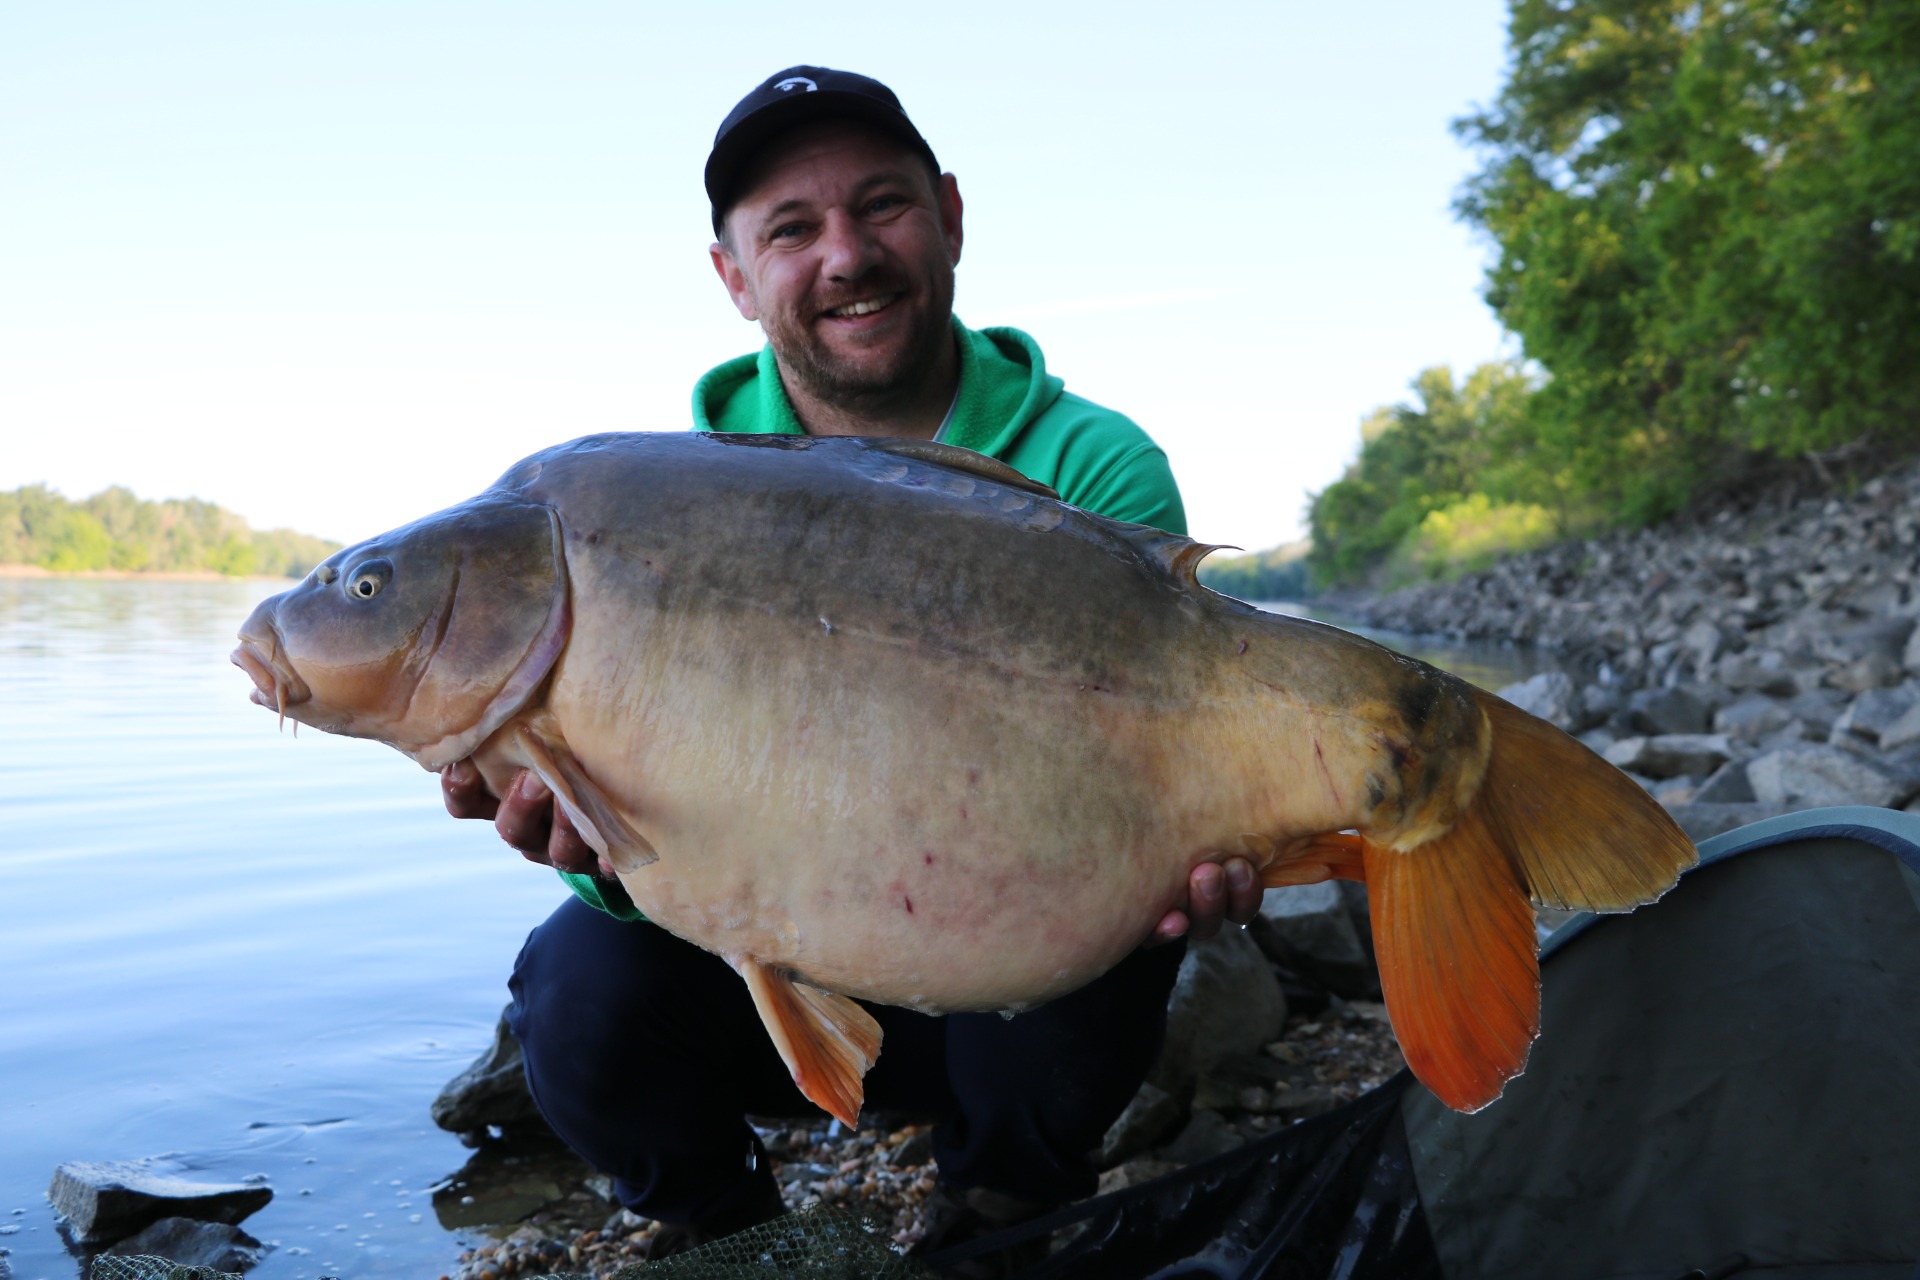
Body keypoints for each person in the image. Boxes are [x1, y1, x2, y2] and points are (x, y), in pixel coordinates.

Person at [440, 66, 1265, 1273]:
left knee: (1126, 924)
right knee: (574, 988)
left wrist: (1233, 831)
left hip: (1014, 965)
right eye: (790, 229)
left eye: (879, 207)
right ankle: (741, 1233)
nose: (846, 255)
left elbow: (1181, 743)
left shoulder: (1095, 464)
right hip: (781, 974)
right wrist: (598, 855)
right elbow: (662, 869)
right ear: (733, 276)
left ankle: (999, 1202)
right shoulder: (653, 516)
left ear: (950, 219)